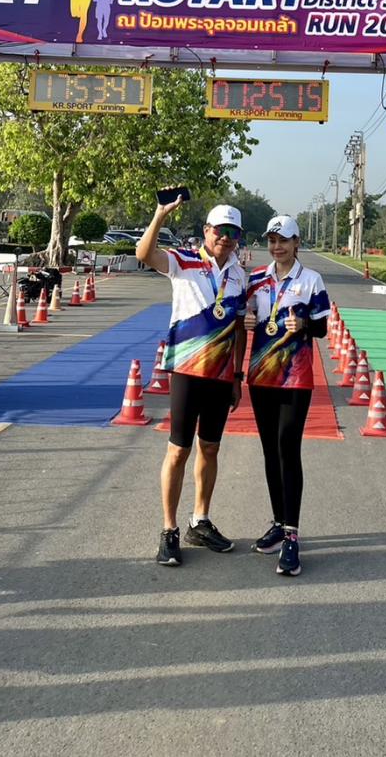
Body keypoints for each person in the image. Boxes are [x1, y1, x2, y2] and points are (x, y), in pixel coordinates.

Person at [137, 200, 248, 567]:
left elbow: (238, 329)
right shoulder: (183, 261)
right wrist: (160, 215)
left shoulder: (239, 275)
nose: (226, 238)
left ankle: (199, 521)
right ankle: (169, 530)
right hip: (186, 371)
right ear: (206, 231)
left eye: (233, 232)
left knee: (211, 448)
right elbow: (144, 254)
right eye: (220, 230)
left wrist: (237, 376)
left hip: (221, 377)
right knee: (178, 450)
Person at [245, 215, 330, 577]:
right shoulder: (256, 279)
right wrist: (247, 320)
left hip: (295, 377)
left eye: (283, 240)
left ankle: (292, 535)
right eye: (272, 240)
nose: (277, 247)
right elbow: (245, 314)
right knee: (269, 450)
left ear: (297, 243)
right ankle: (279, 523)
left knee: (287, 447)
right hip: (261, 375)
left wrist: (305, 324)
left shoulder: (311, 280)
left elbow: (323, 328)